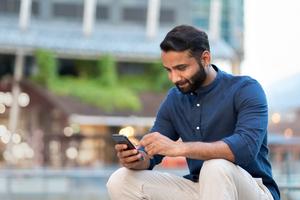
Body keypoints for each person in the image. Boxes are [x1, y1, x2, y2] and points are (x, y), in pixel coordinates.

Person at [106, 25, 280, 200]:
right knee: (120, 180)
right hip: (201, 189)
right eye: (169, 70)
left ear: (205, 58)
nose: (174, 78)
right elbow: (151, 154)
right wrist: (137, 159)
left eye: (181, 68)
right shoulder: (175, 98)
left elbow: (245, 148)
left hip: (253, 190)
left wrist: (178, 148)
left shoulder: (246, 89)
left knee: (216, 166)